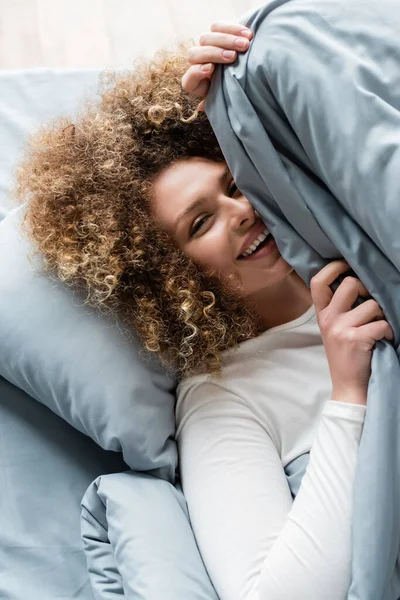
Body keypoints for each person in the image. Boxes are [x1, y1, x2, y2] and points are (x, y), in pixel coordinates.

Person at [16, 22, 393, 600]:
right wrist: (350, 393)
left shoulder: (368, 237)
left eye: (234, 183)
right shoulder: (226, 398)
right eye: (201, 222)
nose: (239, 212)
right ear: (169, 275)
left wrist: (251, 82)